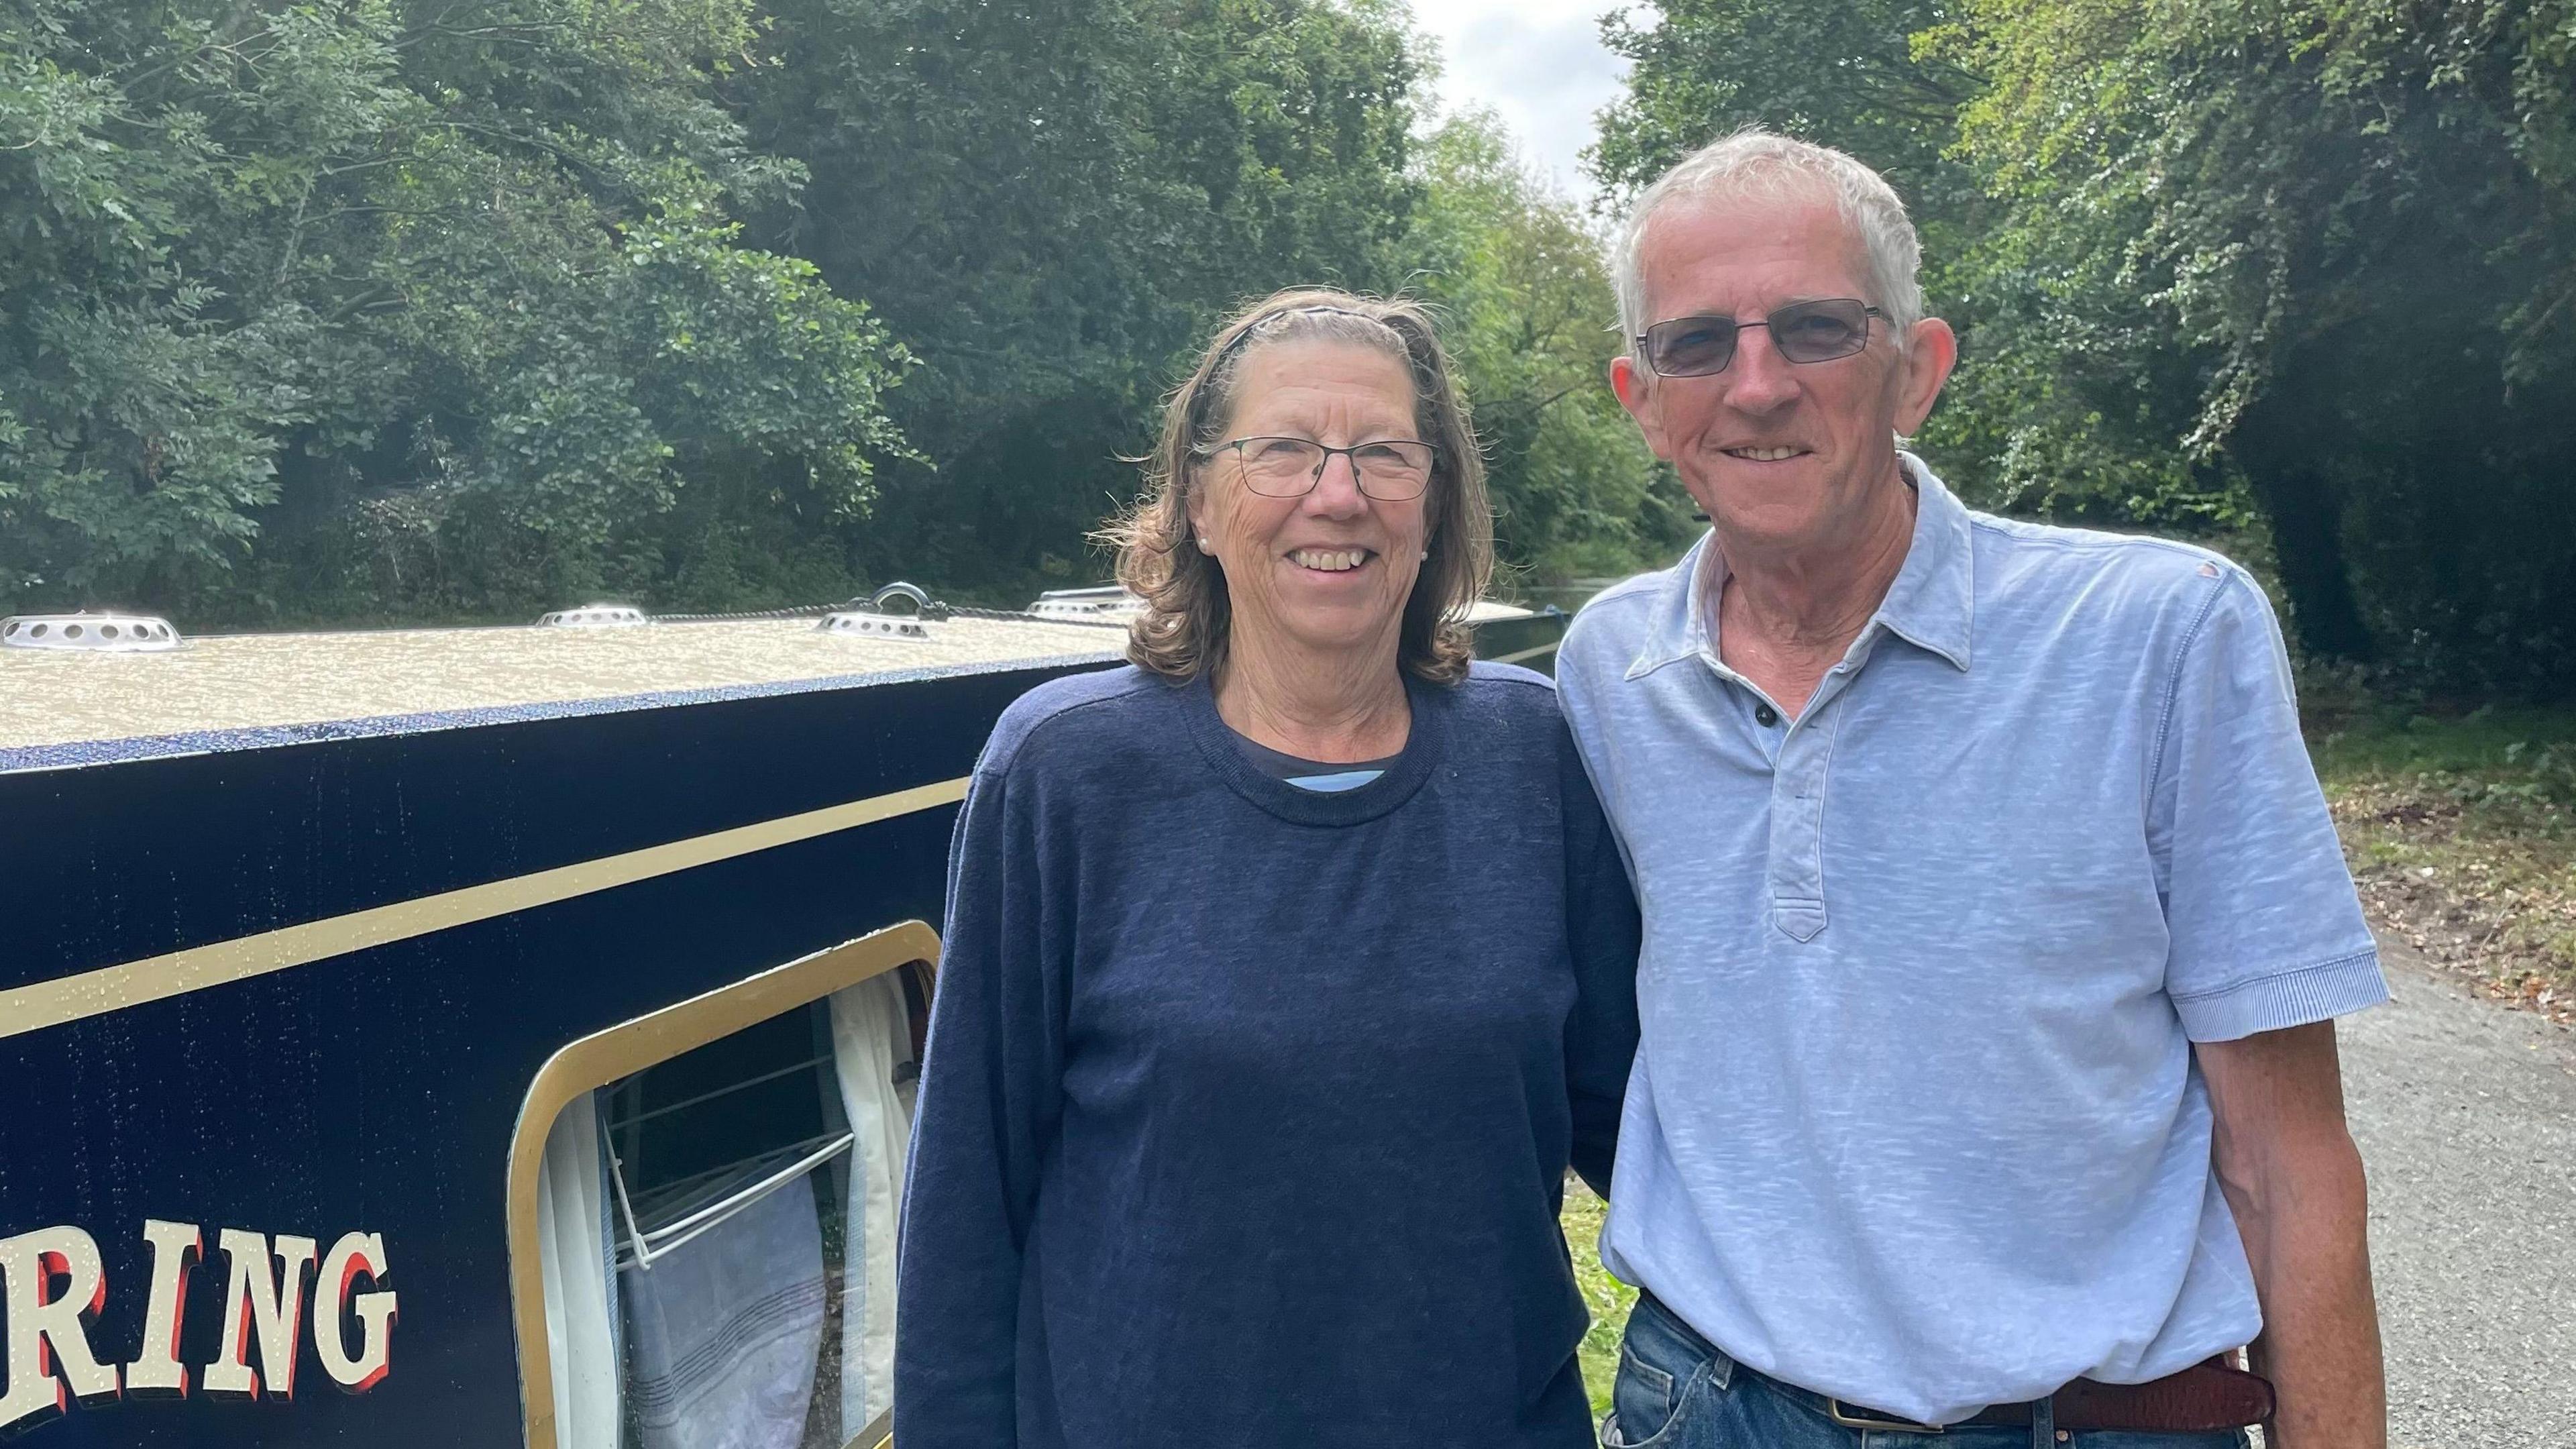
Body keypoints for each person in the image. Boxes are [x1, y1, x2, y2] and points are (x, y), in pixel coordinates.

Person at [1556, 130, 2390, 1449]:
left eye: (1817, 329)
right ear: (1642, 399)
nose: (1756, 385)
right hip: (1709, 1411)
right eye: (1698, 344)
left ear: (1919, 369)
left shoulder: (2160, 636)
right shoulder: (1611, 671)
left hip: (2089, 1424)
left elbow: (2287, 1159)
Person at [894, 289, 1642, 1449]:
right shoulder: (1066, 771)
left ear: (1435, 504)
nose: (1334, 493)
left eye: (1384, 454)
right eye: (1281, 450)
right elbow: (966, 1198)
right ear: (1196, 501)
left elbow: (1646, 1127)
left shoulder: (1533, 754)